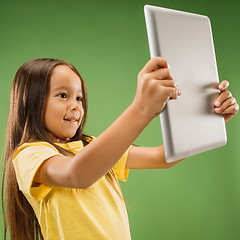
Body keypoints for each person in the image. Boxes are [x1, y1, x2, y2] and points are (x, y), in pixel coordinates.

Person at [2, 57, 238, 240]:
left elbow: (162, 156)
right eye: (63, 95)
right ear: (30, 101)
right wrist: (142, 109)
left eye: (80, 98)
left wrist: (208, 122)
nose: (75, 106)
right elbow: (77, 173)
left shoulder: (91, 147)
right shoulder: (28, 154)